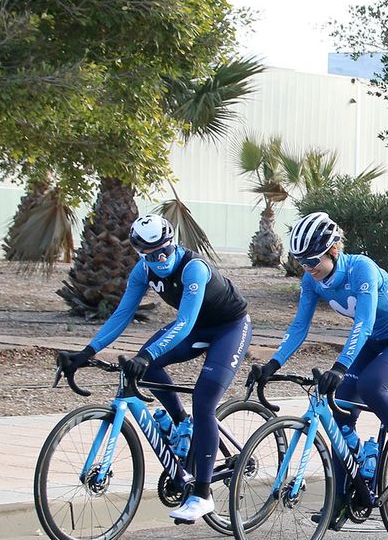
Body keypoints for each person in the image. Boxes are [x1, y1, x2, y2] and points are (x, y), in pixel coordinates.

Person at [55, 214, 252, 523]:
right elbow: (121, 315)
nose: (159, 260)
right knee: (143, 367)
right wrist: (86, 352)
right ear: (140, 254)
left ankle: (202, 495)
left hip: (229, 328)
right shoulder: (142, 271)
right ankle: (181, 425)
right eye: (149, 255)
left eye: (163, 252)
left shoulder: (193, 269)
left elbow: (184, 324)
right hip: (198, 327)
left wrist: (146, 356)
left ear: (171, 244)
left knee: (203, 401)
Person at [248, 212, 388, 520]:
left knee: (371, 385)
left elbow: (365, 322)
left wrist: (341, 365)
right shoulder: (312, 280)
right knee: (339, 409)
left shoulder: (362, 269)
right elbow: (299, 327)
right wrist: (272, 363)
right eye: (301, 262)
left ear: (333, 250)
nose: (308, 268)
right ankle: (342, 499)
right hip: (373, 342)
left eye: (313, 261)